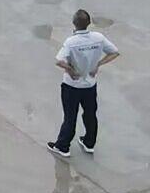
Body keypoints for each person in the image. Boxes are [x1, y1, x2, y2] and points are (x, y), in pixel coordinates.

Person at [47, 10, 120, 157]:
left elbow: (59, 60)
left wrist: (70, 70)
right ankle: (89, 142)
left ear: (74, 23)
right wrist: (98, 64)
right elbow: (114, 52)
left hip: (72, 86)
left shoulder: (71, 42)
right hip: (90, 85)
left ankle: (63, 145)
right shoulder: (98, 38)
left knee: (70, 116)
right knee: (90, 114)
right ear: (89, 23)